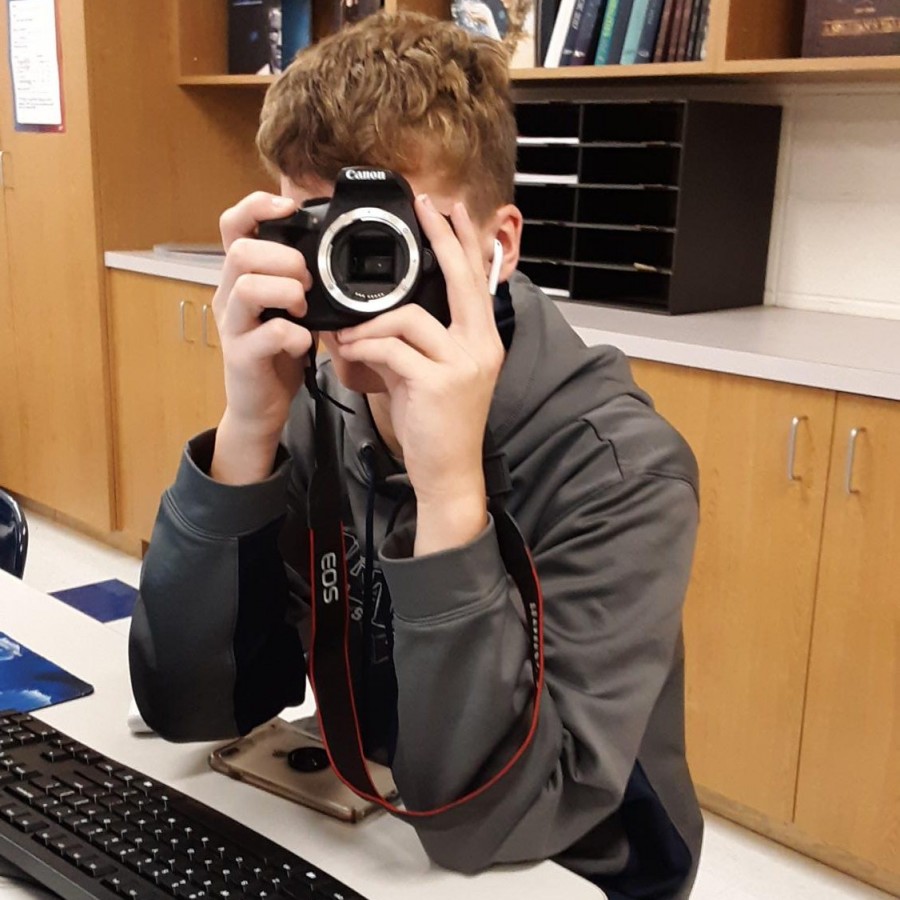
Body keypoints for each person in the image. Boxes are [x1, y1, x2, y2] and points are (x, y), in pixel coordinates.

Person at [129, 11, 703, 899]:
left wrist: (448, 489)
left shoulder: (621, 468)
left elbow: (493, 825)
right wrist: (247, 430)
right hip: (385, 831)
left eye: (392, 236)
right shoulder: (326, 406)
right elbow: (193, 708)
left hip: (573, 867)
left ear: (496, 247)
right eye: (333, 236)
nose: (362, 279)